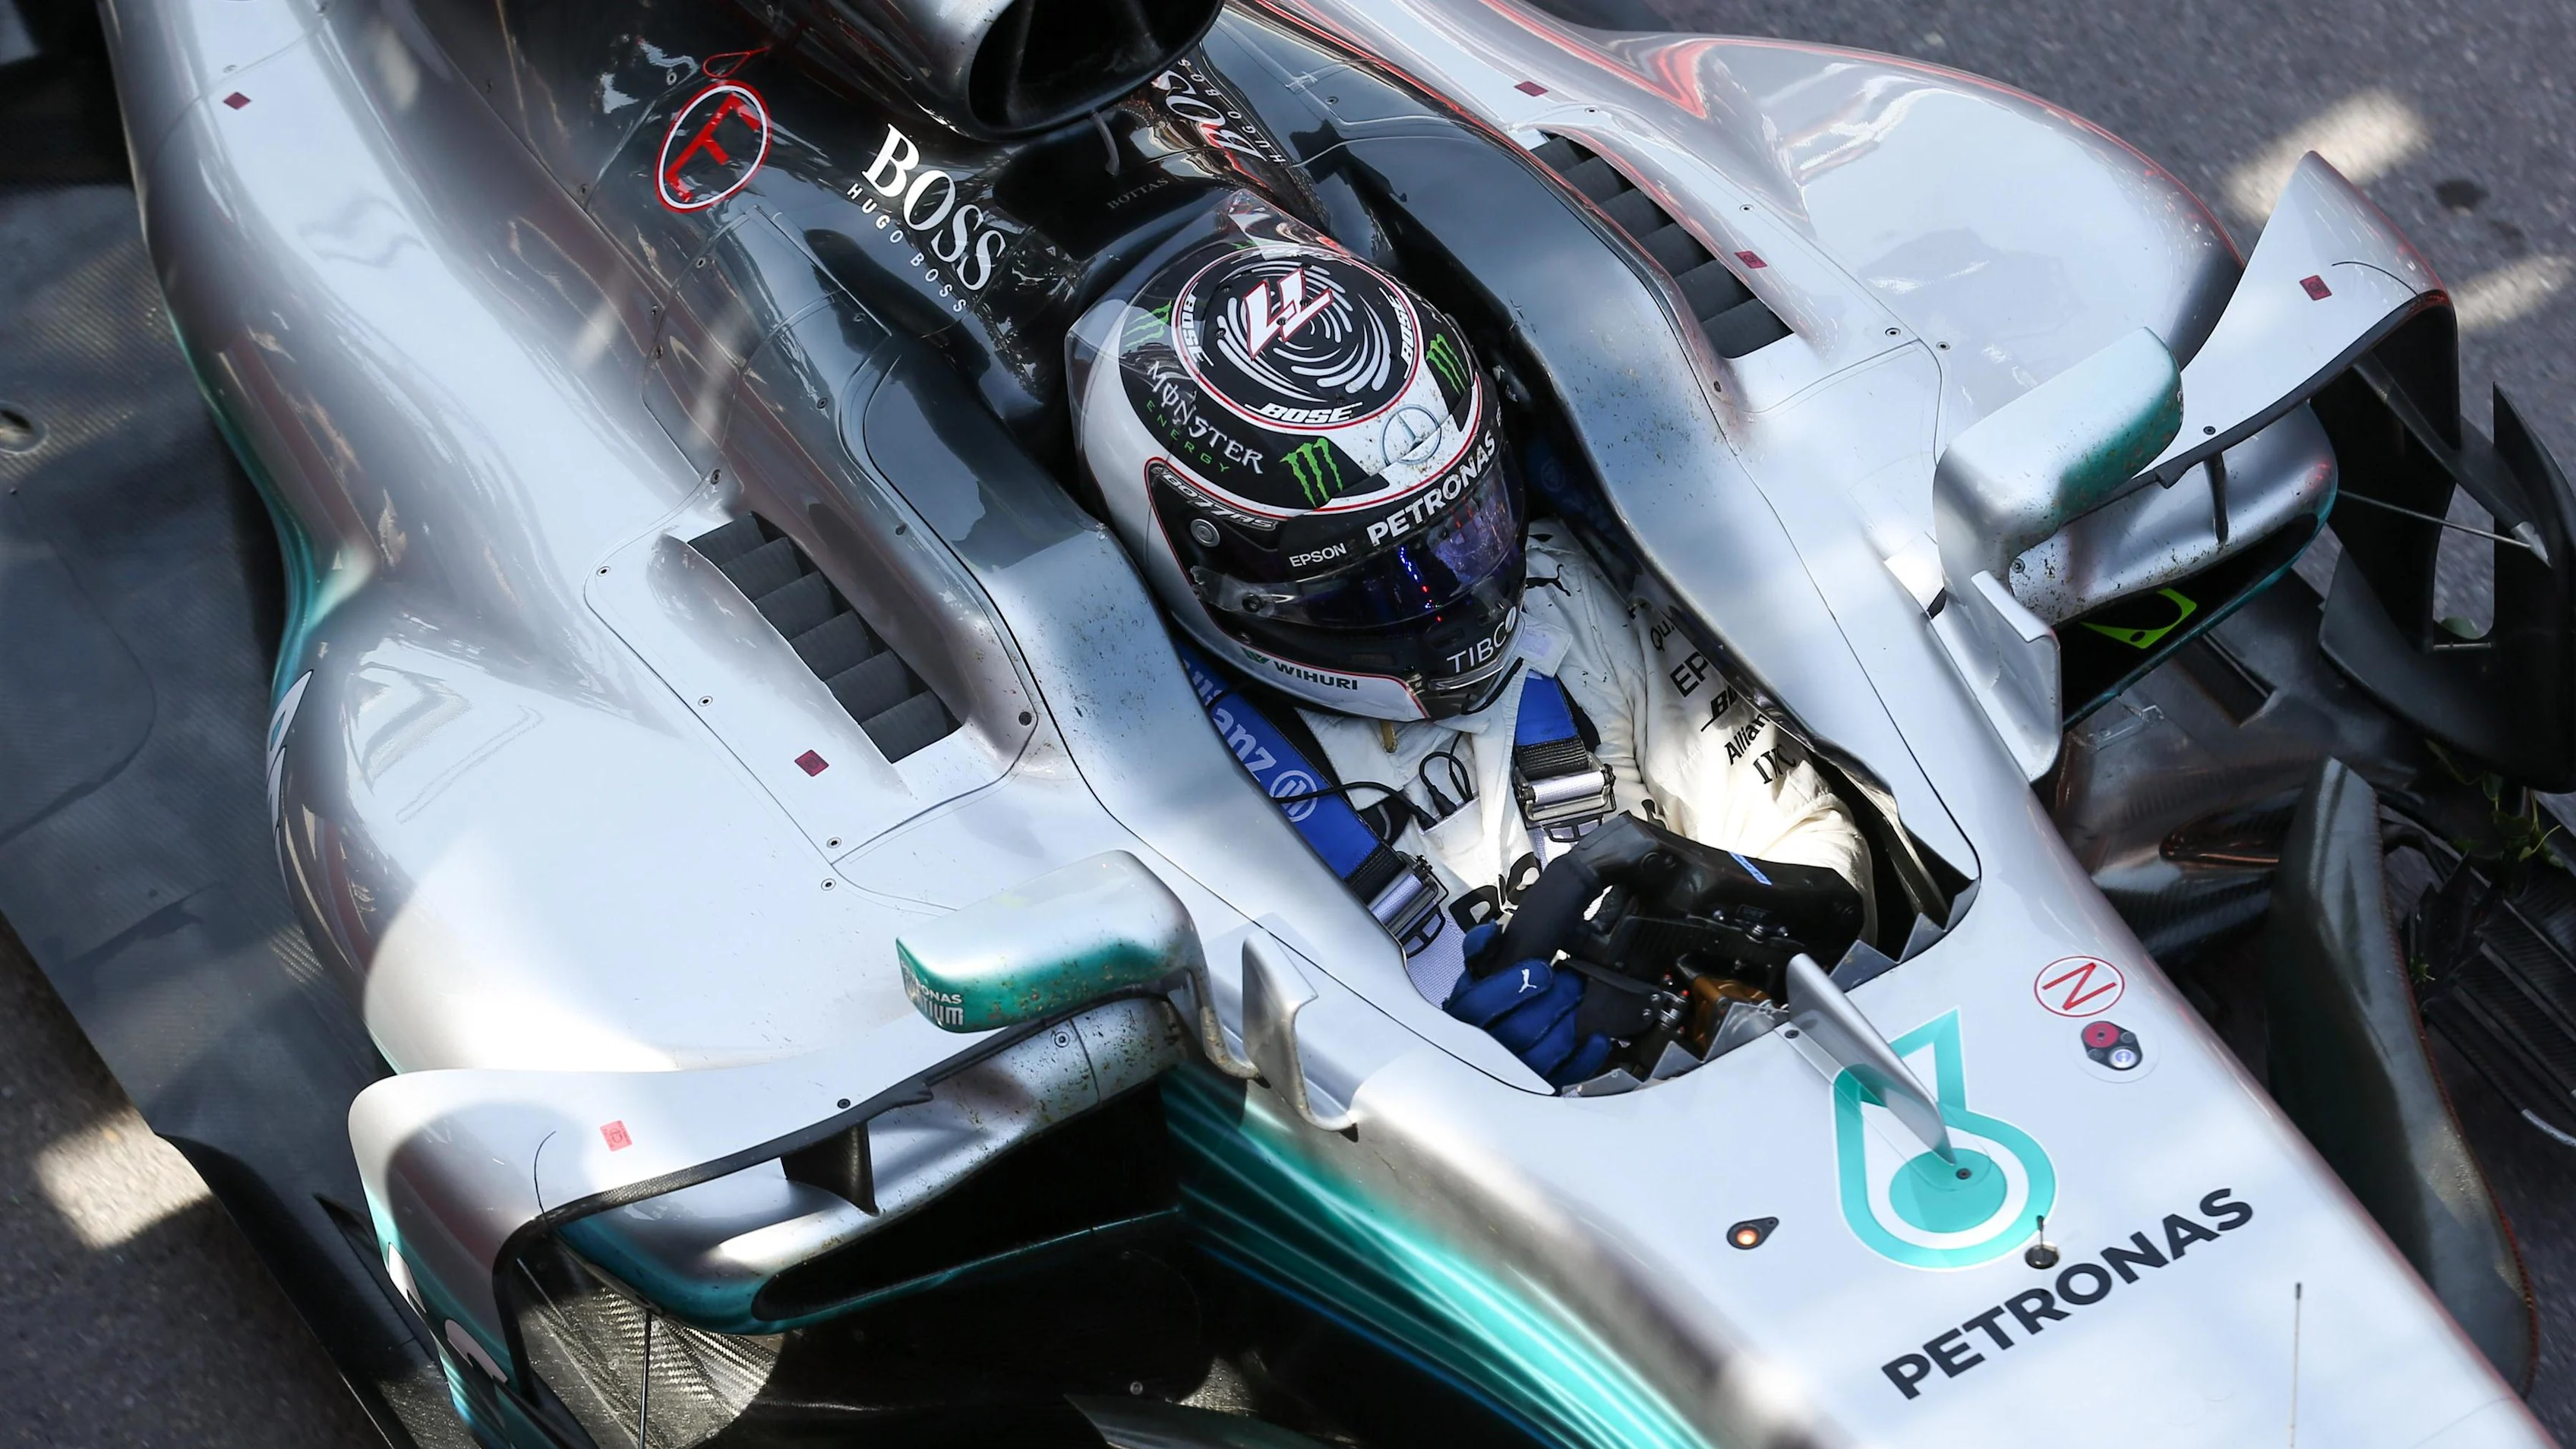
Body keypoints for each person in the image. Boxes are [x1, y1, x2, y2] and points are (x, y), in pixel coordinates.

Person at [1069, 196, 1870, 1085]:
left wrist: (1711, 898)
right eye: (1367, 582)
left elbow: (1813, 846)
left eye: (1462, 530)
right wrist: (1450, 1065)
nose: (1445, 593)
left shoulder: (1569, 590)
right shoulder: (1156, 783)